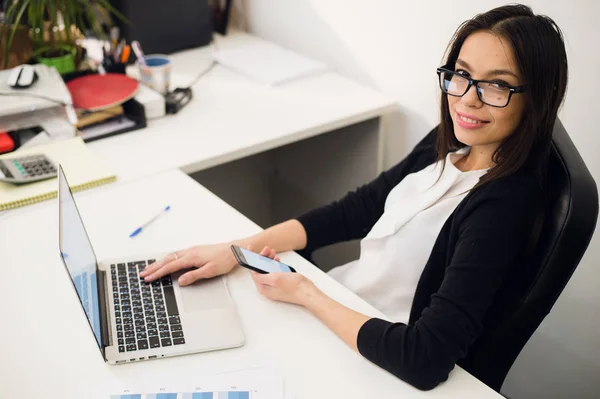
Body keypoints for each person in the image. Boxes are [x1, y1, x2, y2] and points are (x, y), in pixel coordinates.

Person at [140, 4, 568, 391]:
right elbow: (359, 209)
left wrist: (307, 293)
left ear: (537, 100)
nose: (467, 98)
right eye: (461, 74)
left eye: (497, 86)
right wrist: (237, 249)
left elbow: (425, 359)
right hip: (341, 312)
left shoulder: (502, 206)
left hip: (372, 360)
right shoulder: (452, 144)